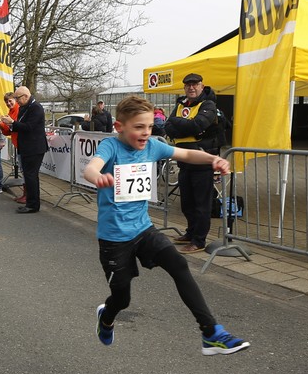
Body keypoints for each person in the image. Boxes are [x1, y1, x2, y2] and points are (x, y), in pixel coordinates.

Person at [83, 96, 249, 355]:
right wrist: (98, 177)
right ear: (119, 127)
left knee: (179, 264)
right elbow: (90, 168)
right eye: (139, 127)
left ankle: (210, 333)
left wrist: (212, 160)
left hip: (143, 229)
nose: (146, 133)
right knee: (122, 298)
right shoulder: (111, 147)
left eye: (150, 126)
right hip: (115, 238)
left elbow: (186, 153)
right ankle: (106, 317)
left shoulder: (152, 146)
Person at [162, 73, 223, 254]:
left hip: (203, 162)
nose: (191, 87)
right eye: (188, 85)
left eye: (195, 84)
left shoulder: (208, 105)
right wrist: (184, 126)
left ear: (202, 86)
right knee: (187, 203)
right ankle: (190, 233)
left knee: (201, 205)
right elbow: (168, 127)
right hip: (184, 162)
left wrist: (176, 122)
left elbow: (197, 125)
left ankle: (199, 240)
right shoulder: (181, 104)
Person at [3, 85, 47, 214]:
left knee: (31, 176)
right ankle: (31, 202)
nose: (16, 101)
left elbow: (29, 127)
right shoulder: (24, 107)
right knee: (28, 176)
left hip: (34, 147)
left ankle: (32, 205)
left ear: (26, 96)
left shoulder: (36, 108)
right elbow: (20, 126)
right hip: (25, 147)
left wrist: (12, 122)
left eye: (18, 98)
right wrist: (10, 124)